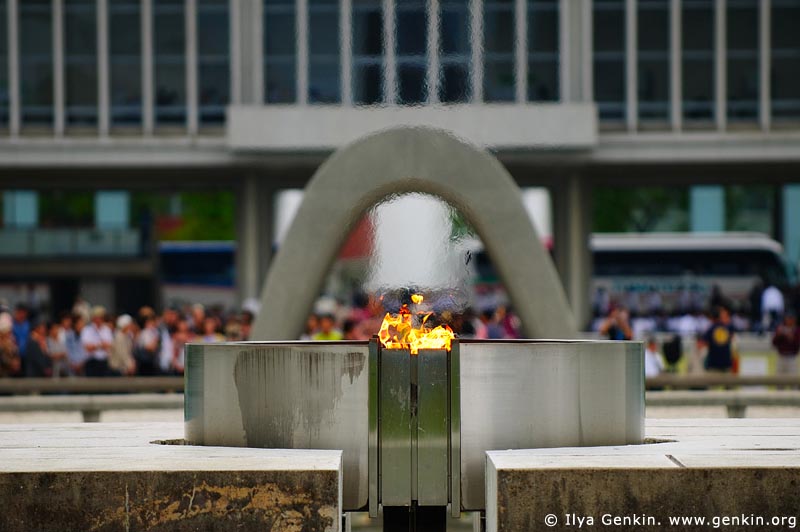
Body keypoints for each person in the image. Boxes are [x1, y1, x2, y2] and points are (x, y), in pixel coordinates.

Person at [700, 306, 735, 373]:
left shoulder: (710, 329)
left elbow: (701, 344)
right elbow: (732, 339)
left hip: (713, 365)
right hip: (726, 364)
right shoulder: (727, 328)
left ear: (711, 318)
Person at [80, 306, 114, 377]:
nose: (99, 319)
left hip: (103, 362)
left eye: (101, 317)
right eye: (97, 317)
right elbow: (87, 348)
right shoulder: (87, 330)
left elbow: (109, 346)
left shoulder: (106, 329)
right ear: (93, 318)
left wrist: (95, 346)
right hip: (91, 362)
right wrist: (100, 345)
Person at [772, 313, 800, 377]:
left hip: (792, 357)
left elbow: (797, 344)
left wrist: (792, 337)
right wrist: (779, 335)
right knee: (779, 380)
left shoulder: (797, 330)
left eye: (791, 319)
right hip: (781, 356)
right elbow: (774, 343)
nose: (789, 320)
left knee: (793, 380)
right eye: (788, 318)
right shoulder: (780, 328)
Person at [0, 312, 20, 378]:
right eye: (6, 331)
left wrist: (15, 362)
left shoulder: (12, 341)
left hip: (10, 377)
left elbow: (16, 361)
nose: (9, 334)